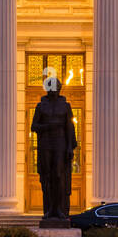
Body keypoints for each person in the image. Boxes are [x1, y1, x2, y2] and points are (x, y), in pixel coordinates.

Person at [30, 72, 77, 220]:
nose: (53, 90)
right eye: (50, 87)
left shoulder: (65, 106)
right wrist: (48, 126)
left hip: (61, 144)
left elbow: (70, 127)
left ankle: (59, 209)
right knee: (48, 176)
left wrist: (70, 147)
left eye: (56, 87)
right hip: (45, 144)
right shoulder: (41, 106)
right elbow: (34, 126)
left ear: (59, 88)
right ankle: (49, 209)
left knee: (59, 175)